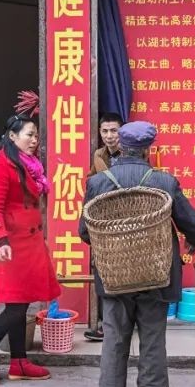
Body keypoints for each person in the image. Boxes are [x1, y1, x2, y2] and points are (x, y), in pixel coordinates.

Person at [80, 121, 195, 387]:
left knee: (114, 340)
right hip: (157, 274)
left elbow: (85, 232)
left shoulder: (98, 182)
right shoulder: (163, 181)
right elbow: (194, 225)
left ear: (120, 146)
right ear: (149, 149)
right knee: (152, 341)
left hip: (114, 277)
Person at [0, 114, 61, 386]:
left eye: (36, 136)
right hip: (10, 244)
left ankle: (19, 362)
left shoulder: (28, 166)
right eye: (28, 135)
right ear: (12, 136)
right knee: (15, 307)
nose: (34, 141)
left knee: (22, 304)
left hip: (29, 242)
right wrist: (0, 240)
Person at [84, 112, 125, 342]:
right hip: (106, 224)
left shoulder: (133, 152)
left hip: (129, 222)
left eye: (114, 131)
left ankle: (125, 323)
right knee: (103, 271)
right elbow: (91, 183)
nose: (109, 136)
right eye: (105, 131)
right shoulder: (98, 155)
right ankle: (103, 325)